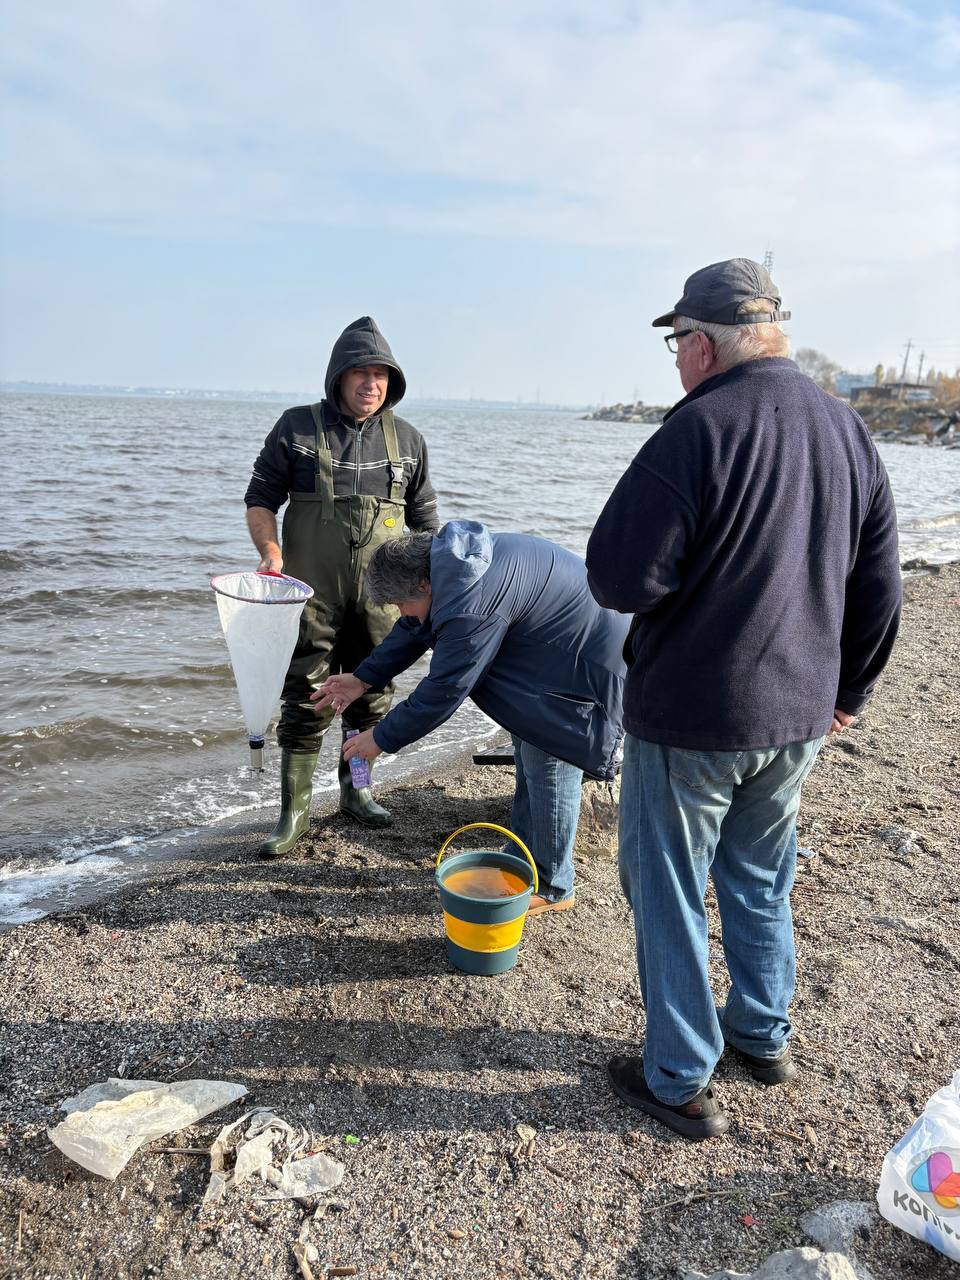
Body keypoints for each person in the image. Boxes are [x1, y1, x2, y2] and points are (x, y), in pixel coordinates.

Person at [586, 259, 901, 1140]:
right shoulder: (845, 427)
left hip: (696, 714)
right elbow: (881, 583)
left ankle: (680, 1075)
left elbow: (617, 577)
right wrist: (850, 689)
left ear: (702, 343)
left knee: (670, 888)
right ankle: (762, 1036)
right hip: (798, 713)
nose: (676, 362)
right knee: (761, 877)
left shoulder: (697, 429)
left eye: (676, 343)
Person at [312, 521, 629, 914]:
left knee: (550, 762)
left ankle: (553, 886)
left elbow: (444, 690)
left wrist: (380, 738)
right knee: (531, 753)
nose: (400, 612)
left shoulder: (469, 605)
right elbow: (413, 628)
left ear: (423, 585)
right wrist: (362, 679)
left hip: (590, 663)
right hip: (555, 648)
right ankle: (523, 857)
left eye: (400, 603)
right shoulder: (452, 565)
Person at [245, 316, 439, 856]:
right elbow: (260, 498)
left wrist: (433, 587)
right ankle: (294, 811)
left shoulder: (408, 441)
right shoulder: (296, 428)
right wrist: (271, 554)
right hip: (312, 592)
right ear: (338, 376)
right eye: (360, 372)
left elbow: (427, 524)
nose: (370, 384)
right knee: (305, 693)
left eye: (380, 374)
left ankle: (358, 791)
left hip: (383, 599)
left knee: (372, 693)